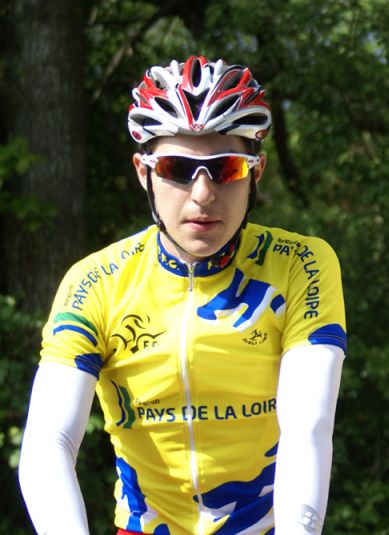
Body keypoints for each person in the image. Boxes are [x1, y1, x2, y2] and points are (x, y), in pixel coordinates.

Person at [18, 55, 347, 535]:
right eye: (177, 168)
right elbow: (49, 441)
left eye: (226, 168)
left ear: (255, 173)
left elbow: (308, 428)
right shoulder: (96, 281)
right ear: (143, 172)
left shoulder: (300, 264)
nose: (202, 194)